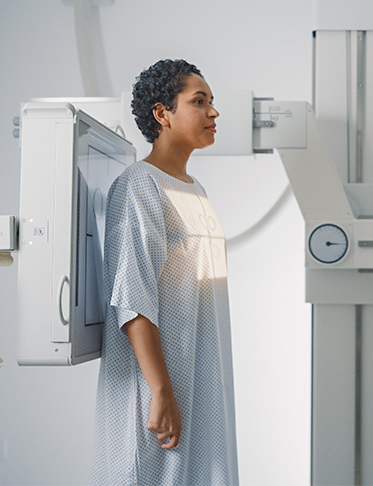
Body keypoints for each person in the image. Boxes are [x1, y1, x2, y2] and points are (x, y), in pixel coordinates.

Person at [90, 59, 238, 485]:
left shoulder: (194, 190)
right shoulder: (141, 185)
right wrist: (160, 391)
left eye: (211, 102)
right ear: (162, 113)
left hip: (199, 379)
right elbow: (132, 299)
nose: (213, 112)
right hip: (157, 390)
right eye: (199, 101)